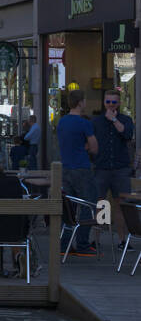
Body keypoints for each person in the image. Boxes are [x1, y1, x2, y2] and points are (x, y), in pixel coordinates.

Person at [57, 89, 100, 255]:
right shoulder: (84, 123)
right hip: (82, 167)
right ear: (81, 102)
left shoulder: (62, 122)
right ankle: (82, 243)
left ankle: (64, 245)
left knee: (69, 207)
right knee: (88, 205)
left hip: (66, 168)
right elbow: (94, 148)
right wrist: (87, 147)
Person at [91, 88, 136, 244]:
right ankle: (96, 241)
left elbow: (127, 135)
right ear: (104, 102)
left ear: (119, 103)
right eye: (108, 102)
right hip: (101, 167)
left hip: (120, 168)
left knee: (121, 204)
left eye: (113, 102)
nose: (110, 105)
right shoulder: (96, 121)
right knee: (100, 203)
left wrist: (114, 120)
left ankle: (123, 240)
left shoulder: (125, 119)